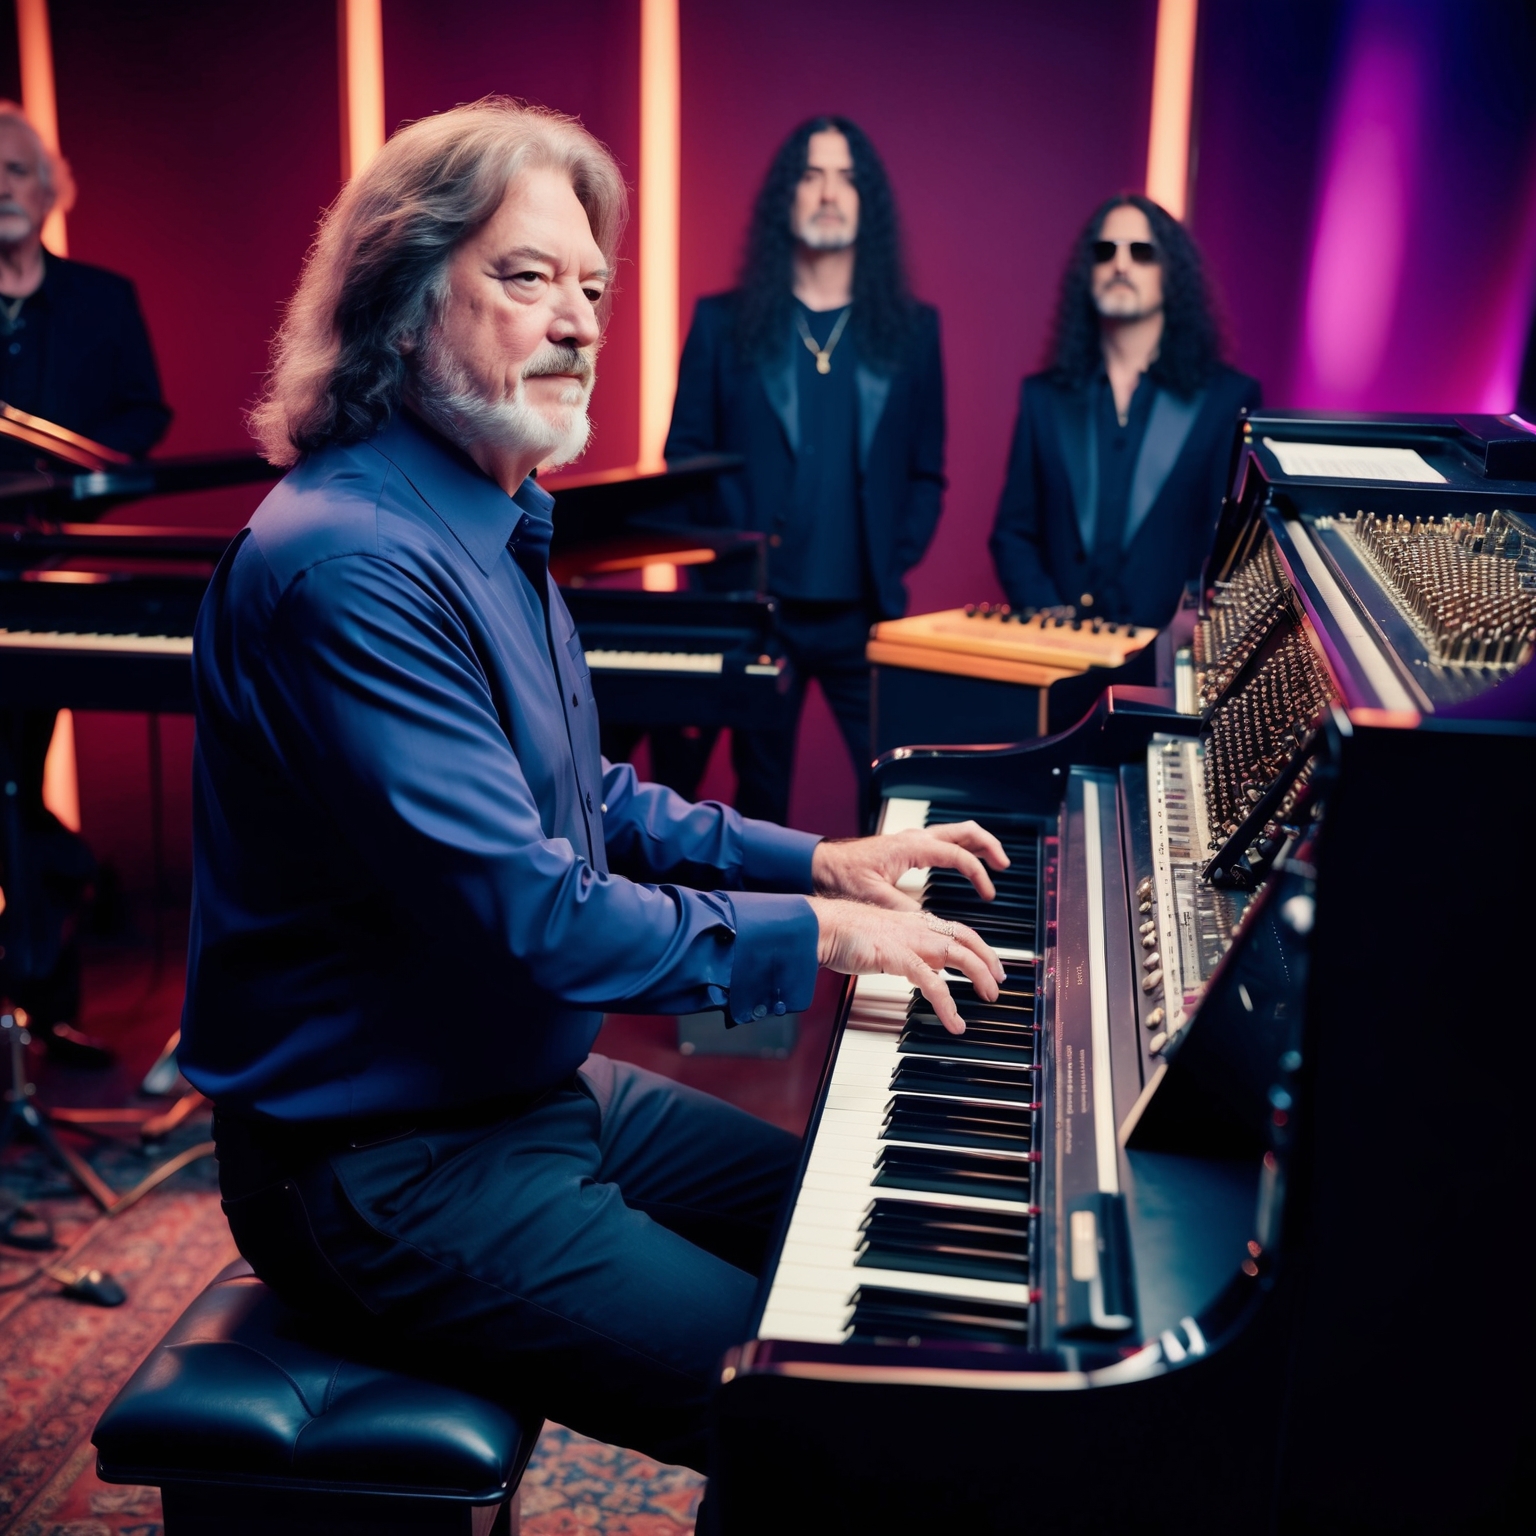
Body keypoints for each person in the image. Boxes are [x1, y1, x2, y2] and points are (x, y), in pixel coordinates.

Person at [181, 99, 1005, 1482]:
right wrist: (822, 942)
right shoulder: (352, 562)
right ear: (398, 294)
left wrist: (818, 866)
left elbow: (592, 800)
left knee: (871, 1252)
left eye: (593, 288)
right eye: (525, 277)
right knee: (821, 1413)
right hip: (382, 1167)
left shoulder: (488, 517)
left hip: (519, 1095)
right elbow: (537, 910)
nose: (578, 322)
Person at [656, 115, 946, 824]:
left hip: (865, 616)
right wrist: (727, 576)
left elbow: (926, 474)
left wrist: (890, 560)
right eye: (810, 174)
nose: (827, 192)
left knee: (893, 802)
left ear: (867, 201)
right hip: (760, 614)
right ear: (785, 196)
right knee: (760, 807)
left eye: (846, 177)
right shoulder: (723, 323)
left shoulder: (912, 331)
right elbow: (684, 461)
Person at [0, 103, 171, 1065]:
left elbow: (145, 413)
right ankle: (69, 880)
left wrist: (78, 485)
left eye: (18, 170)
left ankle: (45, 1012)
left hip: (52, 575)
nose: (2, 191)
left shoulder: (103, 298)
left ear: (51, 188)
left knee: (20, 758)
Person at [989, 194, 1260, 631]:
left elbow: (1234, 549)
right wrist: (1051, 622)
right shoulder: (1043, 397)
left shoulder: (1227, 399)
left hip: (1168, 667)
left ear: (1171, 274)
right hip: (1058, 660)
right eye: (1104, 251)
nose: (1120, 264)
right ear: (1087, 274)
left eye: (1141, 251)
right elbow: (1012, 534)